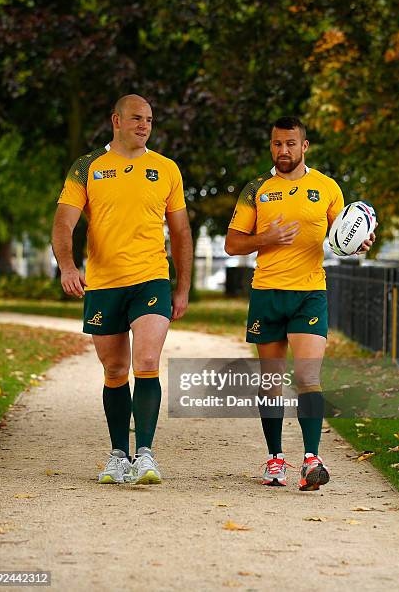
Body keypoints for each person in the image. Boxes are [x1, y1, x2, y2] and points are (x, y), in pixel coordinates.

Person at [225, 116, 375, 491]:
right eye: (277, 144)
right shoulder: (256, 189)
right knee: (272, 381)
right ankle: (275, 459)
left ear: (304, 146)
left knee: (307, 377)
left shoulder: (326, 188)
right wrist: (267, 237)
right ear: (271, 145)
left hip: (310, 293)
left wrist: (359, 245)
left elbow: (343, 235)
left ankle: (312, 460)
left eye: (291, 144)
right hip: (267, 293)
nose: (283, 151)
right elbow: (232, 244)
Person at [52, 94, 193, 485]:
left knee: (146, 361)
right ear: (116, 120)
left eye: (148, 119)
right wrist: (67, 266)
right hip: (104, 284)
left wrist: (182, 287)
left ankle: (145, 454)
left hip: (150, 278)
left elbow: (180, 232)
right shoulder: (87, 167)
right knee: (115, 369)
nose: (143, 125)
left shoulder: (165, 169)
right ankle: (118, 455)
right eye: (135, 118)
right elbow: (64, 223)